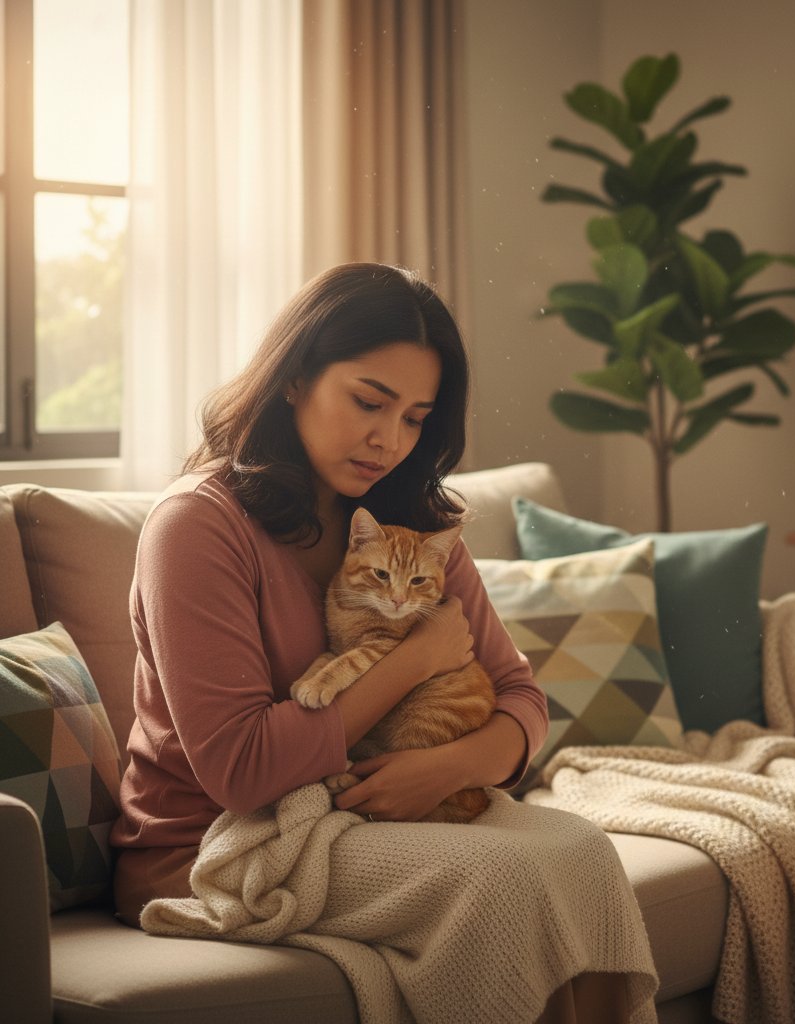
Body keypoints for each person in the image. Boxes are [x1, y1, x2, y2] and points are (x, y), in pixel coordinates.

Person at [109, 263, 651, 1023]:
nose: (388, 440)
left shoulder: (414, 529)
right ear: (294, 378)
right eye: (370, 402)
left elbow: (522, 699)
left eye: (415, 418)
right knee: (503, 881)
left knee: (586, 853)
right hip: (212, 845)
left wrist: (445, 768)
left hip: (355, 812)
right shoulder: (196, 526)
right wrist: (417, 658)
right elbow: (241, 770)